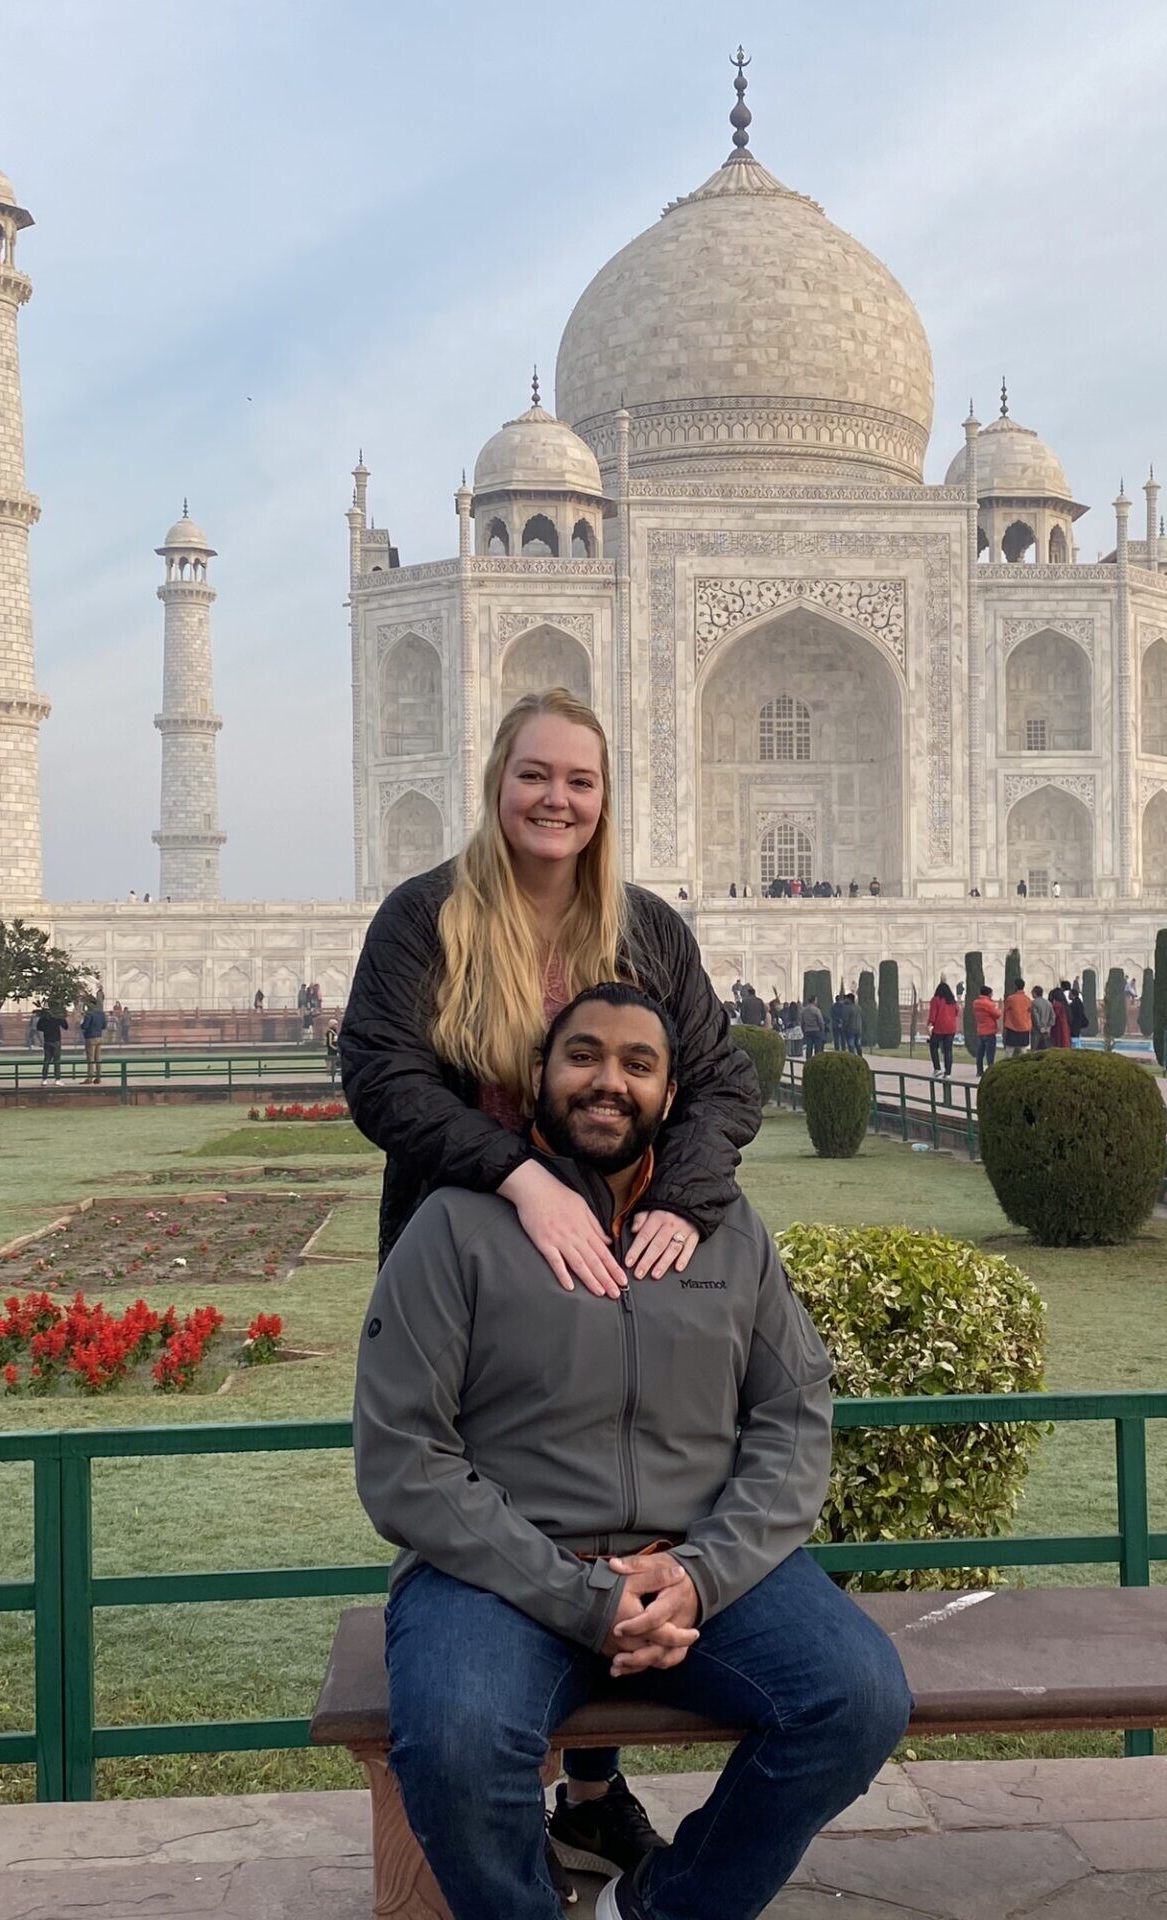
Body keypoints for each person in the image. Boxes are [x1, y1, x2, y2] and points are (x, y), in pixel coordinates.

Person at [354, 984, 909, 1920]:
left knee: (856, 1697)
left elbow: (793, 1410)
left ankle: (658, 1910)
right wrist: (585, 1595)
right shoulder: (455, 1228)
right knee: (454, 1740)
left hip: (698, 1568)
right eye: (582, 1058)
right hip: (504, 1577)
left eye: (636, 1065)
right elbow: (406, 1456)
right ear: (537, 1079)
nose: (607, 1083)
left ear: (670, 1092)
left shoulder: (725, 1232)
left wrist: (701, 1572)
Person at [340, 690, 763, 1862]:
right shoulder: (426, 919)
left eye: (580, 782)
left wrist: (683, 1193)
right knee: (485, 1495)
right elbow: (381, 1077)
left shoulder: (645, 930)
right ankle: (502, 1766)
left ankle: (586, 1793)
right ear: (497, 779)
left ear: (605, 797)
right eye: (537, 776)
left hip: (624, 1254)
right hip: (471, 1262)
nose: (556, 801)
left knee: (617, 1489)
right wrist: (519, 1177)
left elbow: (722, 1081)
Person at [925, 981, 959, 1076]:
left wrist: (930, 1024)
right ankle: (948, 1073)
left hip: (940, 1027)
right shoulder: (952, 1001)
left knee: (933, 1046)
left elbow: (932, 1015)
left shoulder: (935, 1000)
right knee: (948, 1050)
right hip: (951, 1028)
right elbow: (957, 1011)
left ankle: (937, 1068)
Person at [971, 984, 1000, 1074]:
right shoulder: (989, 1004)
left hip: (980, 1030)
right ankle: (990, 1070)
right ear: (988, 994)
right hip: (990, 1030)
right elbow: (997, 1014)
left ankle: (979, 1071)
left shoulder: (975, 1003)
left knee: (980, 1053)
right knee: (990, 1053)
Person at [80, 998, 108, 1083]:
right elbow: (104, 1026)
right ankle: (98, 1077)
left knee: (90, 1058)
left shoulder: (89, 1014)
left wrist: (82, 1021)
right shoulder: (101, 1014)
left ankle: (89, 1077)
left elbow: (85, 1026)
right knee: (98, 1058)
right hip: (99, 1037)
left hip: (90, 1037)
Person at [35, 1003, 66, 1080]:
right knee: (57, 1061)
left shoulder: (43, 1018)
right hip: (56, 1040)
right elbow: (65, 1026)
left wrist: (46, 1029)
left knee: (47, 1060)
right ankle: (57, 1079)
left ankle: (44, 1079)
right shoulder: (56, 1017)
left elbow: (39, 1027)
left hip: (47, 1040)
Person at [1002, 981, 1033, 1055]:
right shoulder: (1027, 999)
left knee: (1009, 1050)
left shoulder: (1011, 998)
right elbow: (1030, 1011)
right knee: (1023, 1050)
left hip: (1012, 1027)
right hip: (1024, 1027)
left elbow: (1005, 1010)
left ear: (1015, 986)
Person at [1029, 985, 1055, 1052]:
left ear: (1035, 993)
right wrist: (1049, 1026)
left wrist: (1040, 1027)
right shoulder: (1048, 1003)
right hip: (1047, 1029)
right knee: (1045, 1049)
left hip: (1037, 1029)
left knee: (1035, 1049)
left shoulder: (1034, 1003)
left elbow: (1035, 1016)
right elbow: (1053, 1016)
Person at [838, 990, 863, 1056]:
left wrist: (843, 1027)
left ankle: (853, 1057)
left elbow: (845, 1019)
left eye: (846, 998)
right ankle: (860, 1056)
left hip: (850, 1029)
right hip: (858, 1028)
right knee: (858, 1044)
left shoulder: (847, 1008)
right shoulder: (858, 1007)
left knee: (851, 1044)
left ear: (849, 999)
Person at [1051, 981, 1072, 1050]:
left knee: (1059, 1043)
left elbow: (1054, 1016)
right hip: (1065, 1026)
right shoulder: (1065, 1004)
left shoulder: (1057, 1005)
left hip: (1059, 1027)